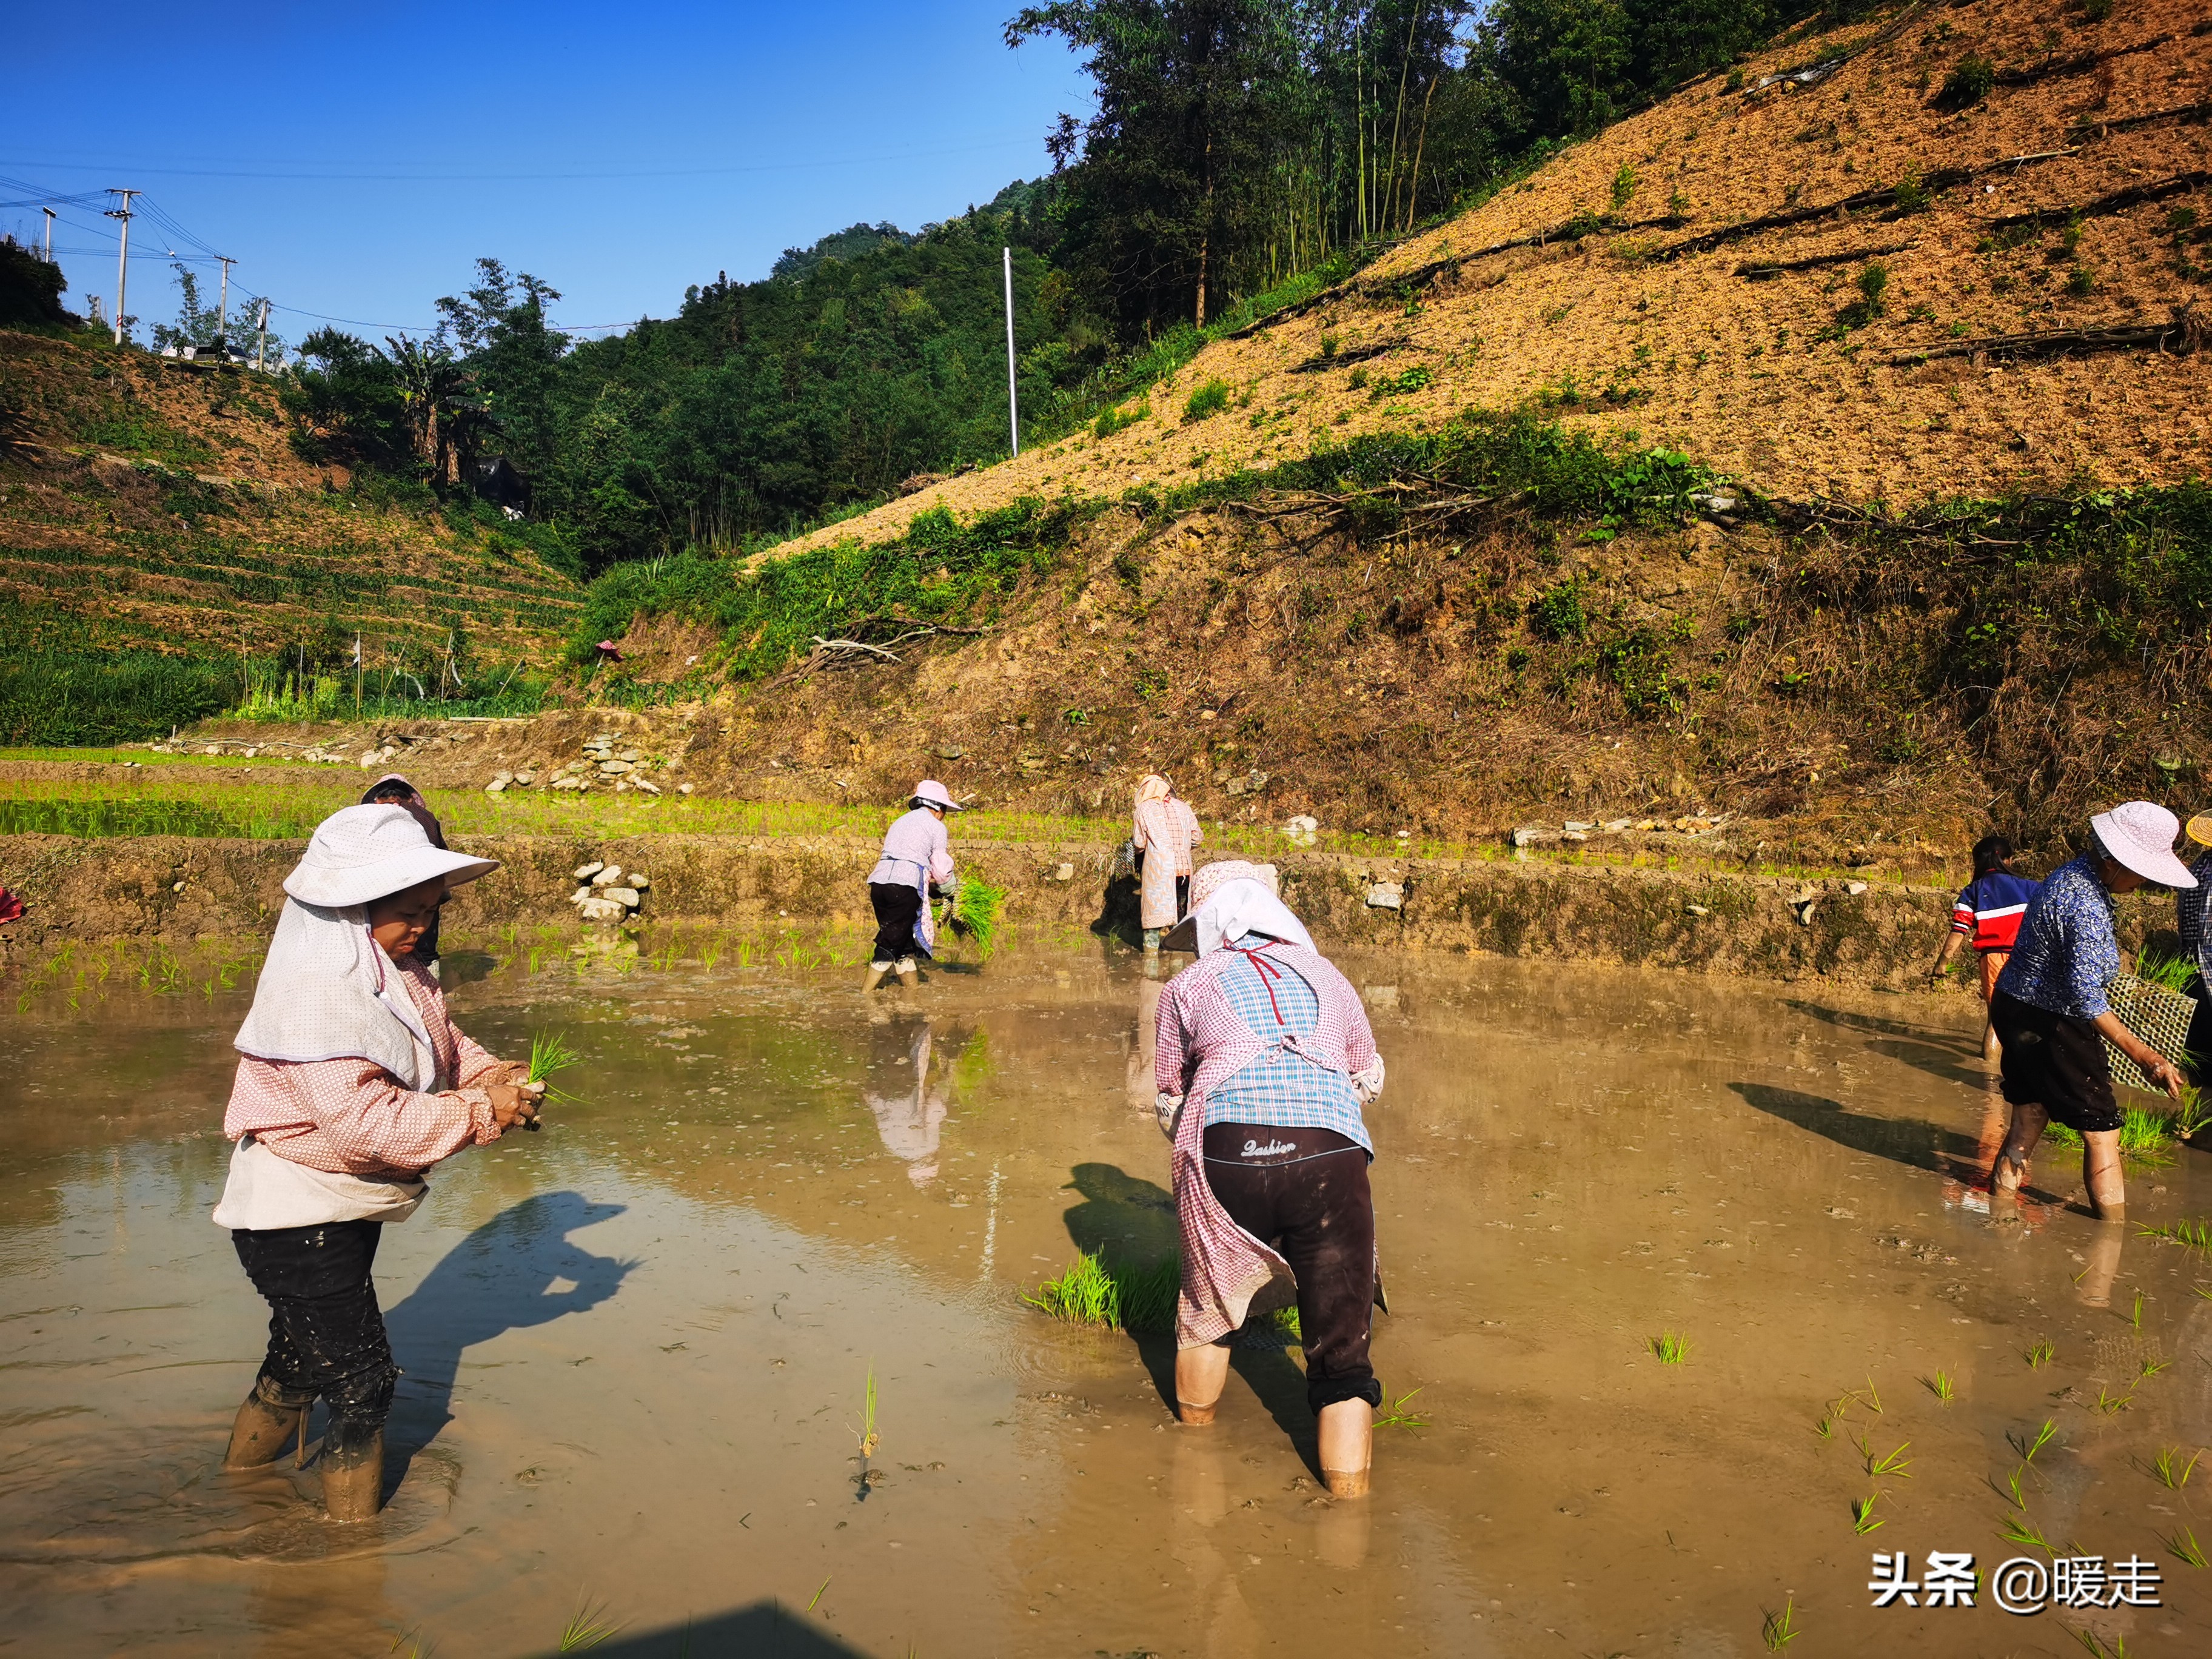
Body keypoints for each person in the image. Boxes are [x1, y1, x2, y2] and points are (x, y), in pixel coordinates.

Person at [213, 804, 545, 1521]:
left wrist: (493, 1075)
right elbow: (370, 1126)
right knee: (364, 1381)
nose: (423, 925)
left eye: (431, 908)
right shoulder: (315, 999)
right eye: (407, 910)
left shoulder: (400, 973)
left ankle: (237, 1484)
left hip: (340, 1204)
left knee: (302, 1360)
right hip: (293, 1215)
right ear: (352, 910)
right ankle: (350, 1553)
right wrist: (483, 1111)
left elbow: (446, 1045)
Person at [1153, 860, 1387, 1497]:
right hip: (1329, 1157)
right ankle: (1349, 1512)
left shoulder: (1188, 985)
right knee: (1343, 1356)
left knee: (1207, 1312)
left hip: (1226, 1150)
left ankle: (1194, 1463)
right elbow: (1366, 1077)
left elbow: (1171, 1098)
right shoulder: (1331, 977)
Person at [1988, 801, 2194, 1222]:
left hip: (2016, 1007)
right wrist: (2145, 1055)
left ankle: (2000, 1216)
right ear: (2115, 860)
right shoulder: (2084, 904)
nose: (2145, 883)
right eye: (2143, 871)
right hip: (2052, 1019)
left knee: (2029, 1116)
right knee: (2103, 1132)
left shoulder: (2072, 875)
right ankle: (2110, 1244)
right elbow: (2085, 997)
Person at [1930, 833, 2039, 1061]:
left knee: (1996, 1020)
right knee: (2030, 1016)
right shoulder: (2032, 888)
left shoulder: (1973, 892)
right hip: (2028, 958)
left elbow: (1959, 929)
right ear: (2009, 860)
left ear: (1978, 862)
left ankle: (1987, 1074)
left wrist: (1942, 962)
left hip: (1993, 959)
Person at [865, 779, 960, 991]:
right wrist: (951, 890)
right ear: (938, 807)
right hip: (904, 888)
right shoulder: (936, 826)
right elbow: (941, 869)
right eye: (945, 809)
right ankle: (865, 999)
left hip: (880, 885)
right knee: (888, 946)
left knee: (902, 947)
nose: (944, 814)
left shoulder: (901, 821)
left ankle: (913, 996)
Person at [360, 774, 447, 968]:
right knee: (425, 936)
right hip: (428, 884)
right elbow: (443, 853)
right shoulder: (427, 816)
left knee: (384, 942)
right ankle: (427, 978)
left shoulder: (373, 815)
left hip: (386, 889)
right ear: (410, 797)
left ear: (377, 799)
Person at [1133, 774, 1203, 954]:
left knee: (1153, 919)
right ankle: (1177, 961)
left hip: (1159, 871)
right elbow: (1197, 837)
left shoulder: (1143, 809)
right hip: (1184, 872)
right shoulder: (1183, 808)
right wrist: (1183, 848)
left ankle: (1150, 963)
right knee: (1180, 916)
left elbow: (1139, 843)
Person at [2178, 813, 2212, 1090]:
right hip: (2208, 966)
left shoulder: (2195, 869)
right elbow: (2205, 930)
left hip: (2191, 968)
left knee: (2200, 1050)